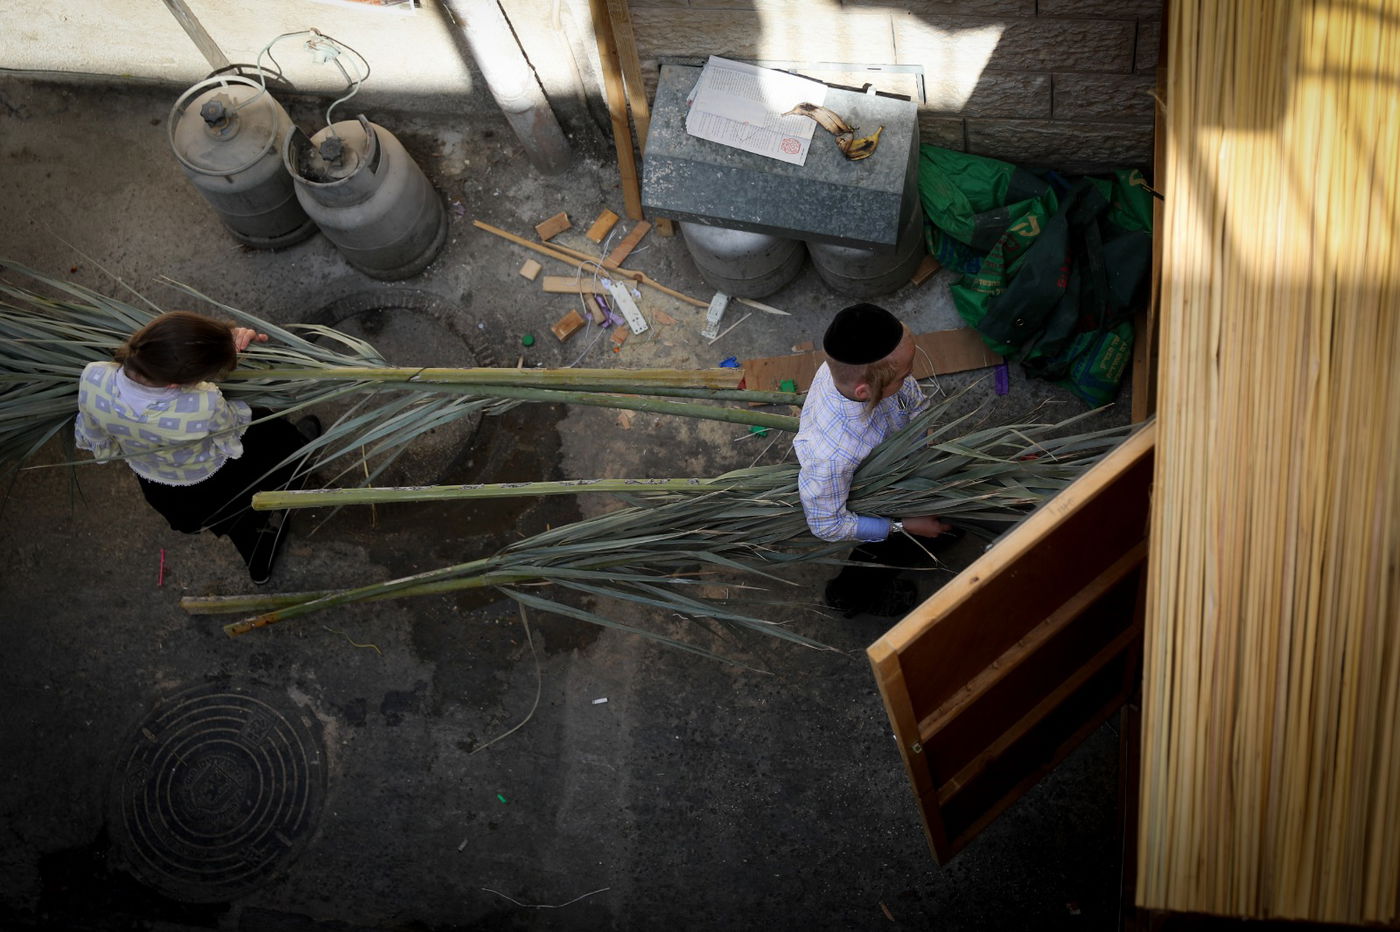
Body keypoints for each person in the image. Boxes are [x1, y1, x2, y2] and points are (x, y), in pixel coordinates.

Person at [75, 310, 318, 584]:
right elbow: (230, 437)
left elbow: (95, 434)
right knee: (268, 452)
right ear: (176, 383)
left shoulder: (93, 376)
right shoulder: (205, 403)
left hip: (166, 486)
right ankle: (297, 459)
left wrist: (221, 343)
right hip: (214, 477)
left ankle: (258, 562)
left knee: (234, 522)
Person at [794, 303, 959, 618]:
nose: (910, 380)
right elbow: (827, 524)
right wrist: (902, 525)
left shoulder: (859, 368)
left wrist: (926, 437)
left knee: (936, 525)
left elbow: (910, 399)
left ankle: (927, 536)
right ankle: (848, 597)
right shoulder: (832, 456)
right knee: (878, 556)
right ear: (863, 391)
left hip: (905, 470)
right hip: (875, 501)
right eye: (903, 376)